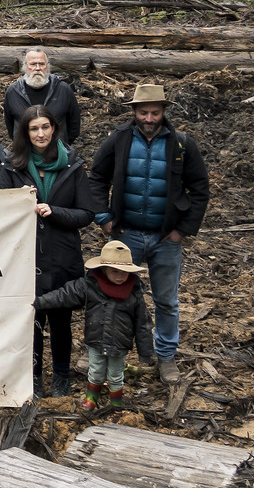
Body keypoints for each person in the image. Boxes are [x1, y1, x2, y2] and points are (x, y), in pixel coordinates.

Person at [88, 83, 210, 385]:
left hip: (165, 237)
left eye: (155, 112)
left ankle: (166, 356)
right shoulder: (118, 139)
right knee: (109, 297)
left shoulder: (182, 144)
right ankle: (99, 350)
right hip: (124, 234)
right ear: (134, 111)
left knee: (167, 300)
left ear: (164, 111)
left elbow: (200, 189)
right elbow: (96, 178)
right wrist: (104, 218)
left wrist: (182, 230)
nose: (150, 118)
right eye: (144, 112)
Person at [11, 105, 93, 398]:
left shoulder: (72, 165)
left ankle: (61, 374)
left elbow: (86, 213)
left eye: (45, 127)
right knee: (31, 322)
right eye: (34, 128)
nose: (40, 134)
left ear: (54, 129)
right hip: (26, 257)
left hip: (62, 256)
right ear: (25, 132)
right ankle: (32, 377)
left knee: (61, 322)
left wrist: (53, 211)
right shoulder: (13, 166)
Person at [34, 242, 155, 411]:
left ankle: (116, 402)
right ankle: (91, 399)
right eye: (115, 271)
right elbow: (66, 294)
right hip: (96, 339)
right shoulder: (90, 285)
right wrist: (41, 301)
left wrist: (145, 351)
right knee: (96, 371)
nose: (120, 276)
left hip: (120, 343)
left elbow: (143, 324)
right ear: (103, 269)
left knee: (115, 374)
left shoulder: (134, 292)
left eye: (124, 272)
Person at [3, 48, 81, 147]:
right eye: (33, 64)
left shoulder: (63, 89)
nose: (38, 68)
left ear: (47, 67)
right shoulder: (13, 92)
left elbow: (74, 126)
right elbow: (10, 125)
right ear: (25, 67)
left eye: (41, 64)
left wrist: (62, 145)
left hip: (57, 154)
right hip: (24, 155)